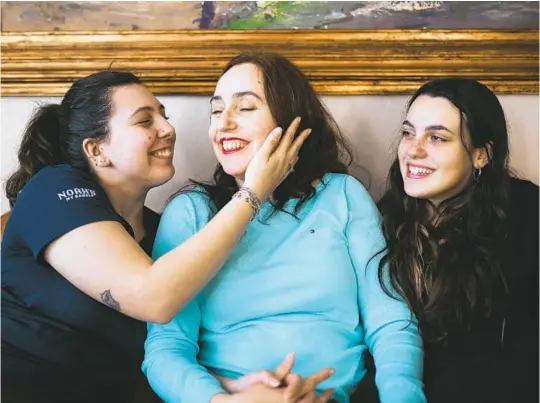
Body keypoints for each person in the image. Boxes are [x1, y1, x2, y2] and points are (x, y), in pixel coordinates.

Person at [1, 70, 308, 403]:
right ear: (96, 150)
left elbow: (158, 351)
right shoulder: (53, 190)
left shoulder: (163, 233)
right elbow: (152, 298)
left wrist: (232, 387)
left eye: (164, 115)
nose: (168, 129)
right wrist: (255, 191)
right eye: (144, 121)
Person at [142, 53, 427, 403]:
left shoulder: (341, 194)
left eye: (245, 108)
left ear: (291, 121)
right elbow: (166, 348)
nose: (224, 124)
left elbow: (390, 320)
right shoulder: (191, 212)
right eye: (216, 111)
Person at [375, 78, 539, 403]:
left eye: (437, 137)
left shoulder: (526, 215)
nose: (414, 150)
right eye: (409, 132)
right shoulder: (383, 220)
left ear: (481, 155)